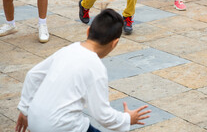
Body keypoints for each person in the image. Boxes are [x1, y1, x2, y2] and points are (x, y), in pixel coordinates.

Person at [15, 8, 151, 132]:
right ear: (115, 43)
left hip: (34, 120)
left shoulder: (67, 50)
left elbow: (32, 75)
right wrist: (127, 119)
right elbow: (102, 115)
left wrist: (24, 109)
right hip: (61, 127)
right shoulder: (95, 67)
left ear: (88, 31)